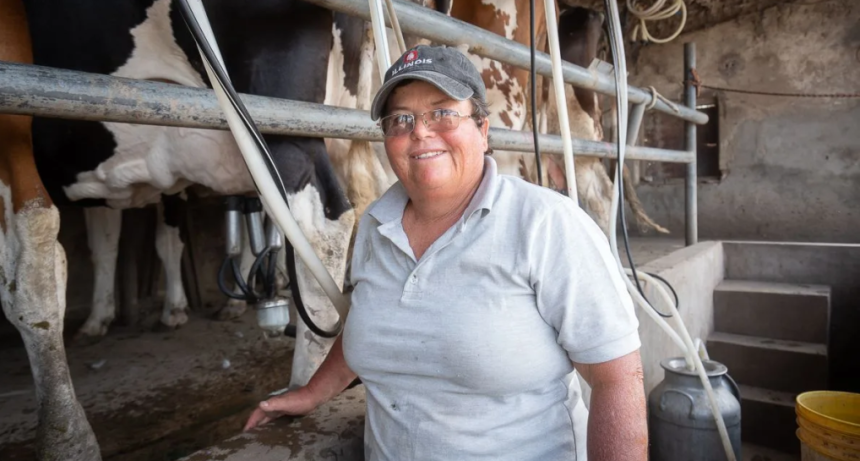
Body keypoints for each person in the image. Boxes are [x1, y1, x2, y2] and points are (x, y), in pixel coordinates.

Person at [244, 45, 647, 460]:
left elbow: (616, 377)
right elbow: (371, 320)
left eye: (442, 113)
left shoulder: (546, 224)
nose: (420, 131)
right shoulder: (375, 226)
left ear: (483, 130)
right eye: (401, 119)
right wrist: (312, 392)